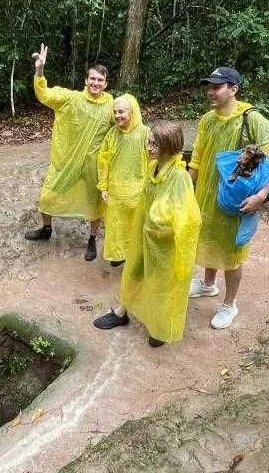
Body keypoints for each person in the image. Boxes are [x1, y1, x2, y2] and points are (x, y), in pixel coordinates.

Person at [187, 66, 269, 329]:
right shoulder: (207, 119)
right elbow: (197, 157)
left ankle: (229, 304)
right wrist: (186, 189)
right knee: (208, 237)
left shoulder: (252, 120)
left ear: (233, 89)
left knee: (232, 251)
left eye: (217, 87)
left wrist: (262, 196)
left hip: (236, 198)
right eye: (209, 87)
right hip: (205, 195)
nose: (211, 92)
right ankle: (208, 284)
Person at [93, 122, 201, 347]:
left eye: (154, 143)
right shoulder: (152, 167)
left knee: (162, 284)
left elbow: (189, 217)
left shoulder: (179, 176)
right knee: (133, 272)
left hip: (165, 244)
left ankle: (159, 327)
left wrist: (161, 223)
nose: (148, 146)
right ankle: (122, 311)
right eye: (149, 141)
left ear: (168, 147)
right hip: (145, 237)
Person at [24, 43, 115, 260]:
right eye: (92, 78)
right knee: (48, 195)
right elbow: (45, 94)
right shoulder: (70, 99)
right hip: (65, 163)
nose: (96, 83)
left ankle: (92, 239)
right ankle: (46, 229)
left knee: (95, 203)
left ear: (106, 84)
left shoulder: (111, 105)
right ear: (86, 80)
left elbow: (126, 121)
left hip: (93, 166)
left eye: (100, 80)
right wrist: (39, 70)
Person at [96, 94, 150, 266]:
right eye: (115, 112)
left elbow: (154, 160)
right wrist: (103, 186)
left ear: (132, 111)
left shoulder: (145, 133)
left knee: (137, 226)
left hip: (139, 191)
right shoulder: (112, 134)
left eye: (122, 111)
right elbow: (103, 161)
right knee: (117, 226)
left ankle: (136, 256)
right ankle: (119, 254)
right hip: (116, 192)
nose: (118, 115)